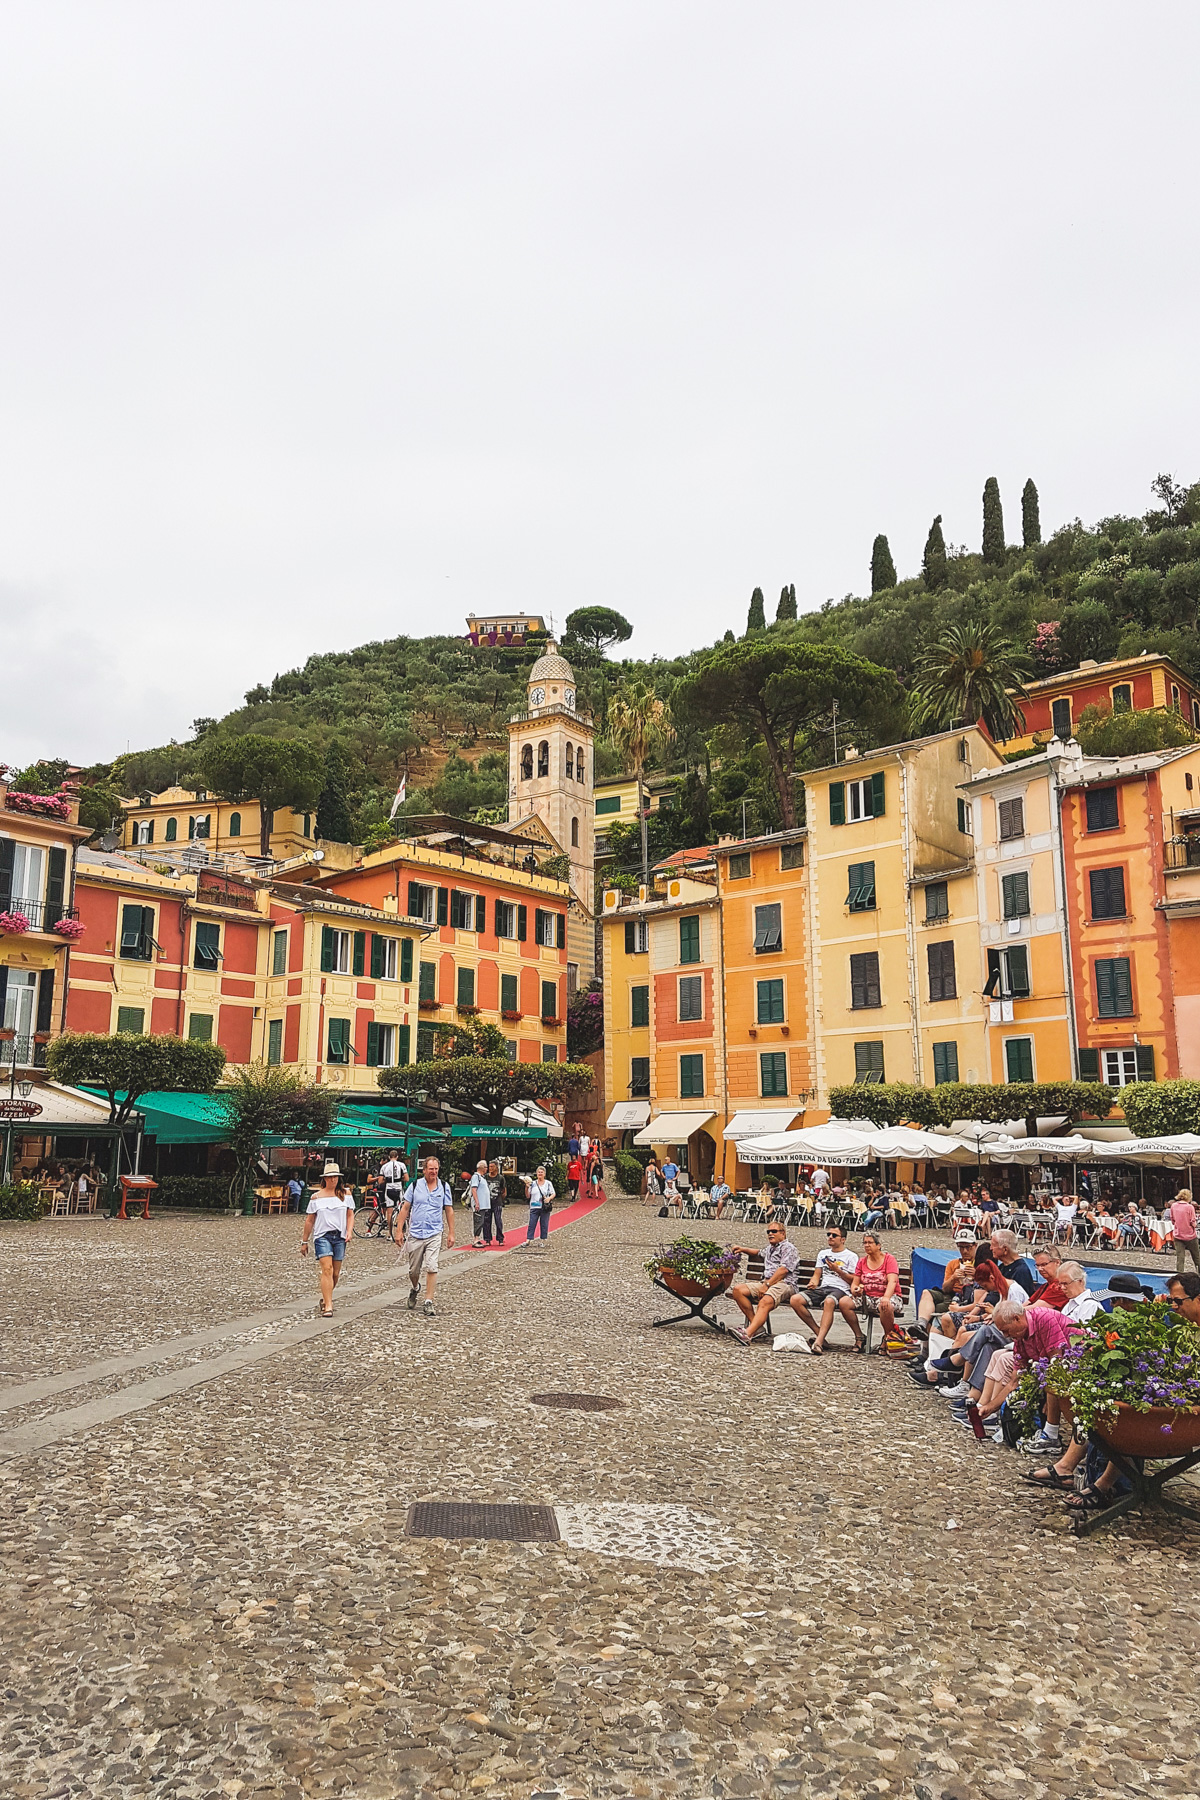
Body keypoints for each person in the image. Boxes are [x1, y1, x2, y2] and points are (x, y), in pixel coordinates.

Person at [789, 1225, 864, 1354]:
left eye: (834, 1235)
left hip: (841, 1289)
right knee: (795, 1300)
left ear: (843, 1239)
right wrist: (813, 1283)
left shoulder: (851, 1256)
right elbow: (817, 1274)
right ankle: (819, 1333)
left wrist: (838, 1271)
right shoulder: (823, 1254)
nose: (830, 1237)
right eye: (828, 1234)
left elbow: (854, 1280)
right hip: (824, 1288)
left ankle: (818, 1342)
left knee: (829, 1301)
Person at [396, 1155, 455, 1316]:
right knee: (413, 1271)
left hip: (434, 1232)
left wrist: (451, 1232)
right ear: (424, 1170)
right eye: (431, 1169)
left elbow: (449, 1210)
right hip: (415, 1233)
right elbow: (405, 1208)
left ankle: (429, 1301)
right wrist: (399, 1230)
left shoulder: (444, 1186)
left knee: (432, 1265)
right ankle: (415, 1288)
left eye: (436, 1169)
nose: (434, 1172)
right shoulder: (415, 1186)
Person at [727, 1222, 800, 1345]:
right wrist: (743, 1249)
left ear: (782, 1233)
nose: (770, 1234)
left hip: (784, 1283)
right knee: (738, 1290)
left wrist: (767, 1285)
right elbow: (758, 1252)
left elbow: (784, 1270)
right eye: (768, 1232)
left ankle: (748, 1334)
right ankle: (758, 1328)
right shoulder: (770, 1248)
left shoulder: (788, 1248)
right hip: (767, 1282)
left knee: (765, 1300)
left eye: (774, 1231)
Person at [300, 1160, 356, 1317]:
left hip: (339, 1236)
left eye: (335, 1177)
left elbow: (350, 1215)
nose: (333, 1180)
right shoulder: (316, 1197)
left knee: (335, 1273)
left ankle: (326, 1298)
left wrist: (349, 1231)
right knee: (327, 1269)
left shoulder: (346, 1194)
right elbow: (310, 1220)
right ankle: (329, 1306)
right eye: (330, 1177)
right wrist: (304, 1241)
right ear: (324, 1178)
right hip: (322, 1236)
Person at [852, 1231, 903, 1347]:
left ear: (878, 1245)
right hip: (868, 1296)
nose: (866, 1245)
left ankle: (887, 1338)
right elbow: (855, 1283)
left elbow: (892, 1281)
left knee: (885, 1305)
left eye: (870, 1242)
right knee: (844, 1303)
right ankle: (859, 1335)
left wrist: (886, 1297)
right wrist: (856, 1289)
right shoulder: (862, 1261)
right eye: (864, 1243)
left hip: (889, 1295)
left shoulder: (889, 1259)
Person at [987, 1230, 1037, 1299]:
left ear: (1005, 1249)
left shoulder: (1020, 1271)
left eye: (993, 1245)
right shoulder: (1002, 1266)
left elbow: (1020, 1301)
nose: (991, 1248)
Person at [1169, 1188, 1200, 1274]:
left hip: (1178, 1235)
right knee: (1196, 1257)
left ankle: (1179, 1274)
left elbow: (1172, 1220)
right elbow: (1193, 1222)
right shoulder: (1190, 1207)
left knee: (1180, 1257)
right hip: (1190, 1235)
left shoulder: (1173, 1206)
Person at [378, 1150, 409, 1236]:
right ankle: (401, 1231)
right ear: (397, 1157)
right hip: (398, 1188)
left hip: (389, 1189)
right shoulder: (401, 1165)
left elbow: (380, 1181)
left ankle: (389, 1233)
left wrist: (386, 1179)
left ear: (389, 1157)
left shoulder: (384, 1166)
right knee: (402, 1210)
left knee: (389, 1212)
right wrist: (400, 1178)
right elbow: (407, 1178)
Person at [524, 1164, 555, 1241]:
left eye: (542, 1172)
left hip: (544, 1206)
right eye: (539, 1172)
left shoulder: (548, 1183)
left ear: (544, 1174)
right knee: (532, 1223)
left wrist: (549, 1198)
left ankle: (543, 1239)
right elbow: (528, 1195)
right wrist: (527, 1187)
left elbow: (553, 1193)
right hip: (534, 1206)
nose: (540, 1174)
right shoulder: (533, 1183)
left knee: (544, 1224)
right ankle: (529, 1238)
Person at [468, 1160, 491, 1247]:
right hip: (479, 1204)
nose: (487, 1169)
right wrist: (477, 1202)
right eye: (486, 1167)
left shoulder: (482, 1177)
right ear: (482, 1168)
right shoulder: (476, 1177)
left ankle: (477, 1238)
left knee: (481, 1221)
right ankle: (475, 1239)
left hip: (484, 1204)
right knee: (478, 1221)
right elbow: (474, 1189)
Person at [485, 1160, 506, 1245]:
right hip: (487, 1202)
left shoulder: (500, 1178)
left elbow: (504, 1190)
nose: (490, 1168)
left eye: (492, 1167)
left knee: (498, 1220)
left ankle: (500, 1238)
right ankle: (487, 1239)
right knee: (486, 1221)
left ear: (496, 1167)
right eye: (489, 1167)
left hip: (497, 1202)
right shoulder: (485, 1177)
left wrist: (502, 1199)